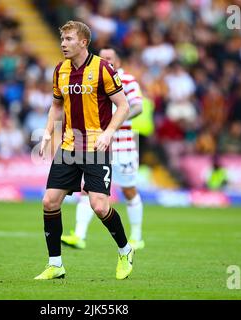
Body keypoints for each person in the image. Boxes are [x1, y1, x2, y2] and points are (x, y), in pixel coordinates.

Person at [35, 21, 132, 280]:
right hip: (69, 146)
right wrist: (47, 133)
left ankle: (125, 250)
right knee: (49, 201)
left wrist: (108, 133)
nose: (63, 44)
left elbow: (123, 106)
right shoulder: (60, 70)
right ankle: (55, 264)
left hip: (95, 147)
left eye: (68, 39)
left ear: (83, 42)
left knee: (99, 206)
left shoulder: (103, 68)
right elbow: (56, 106)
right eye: (62, 39)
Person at [61, 46, 145, 251]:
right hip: (97, 145)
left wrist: (114, 121)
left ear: (118, 61)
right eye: (103, 58)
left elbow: (137, 106)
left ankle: (136, 237)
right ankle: (79, 235)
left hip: (123, 145)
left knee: (129, 190)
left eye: (110, 58)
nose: (106, 61)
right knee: (88, 189)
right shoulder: (94, 78)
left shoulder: (127, 80)